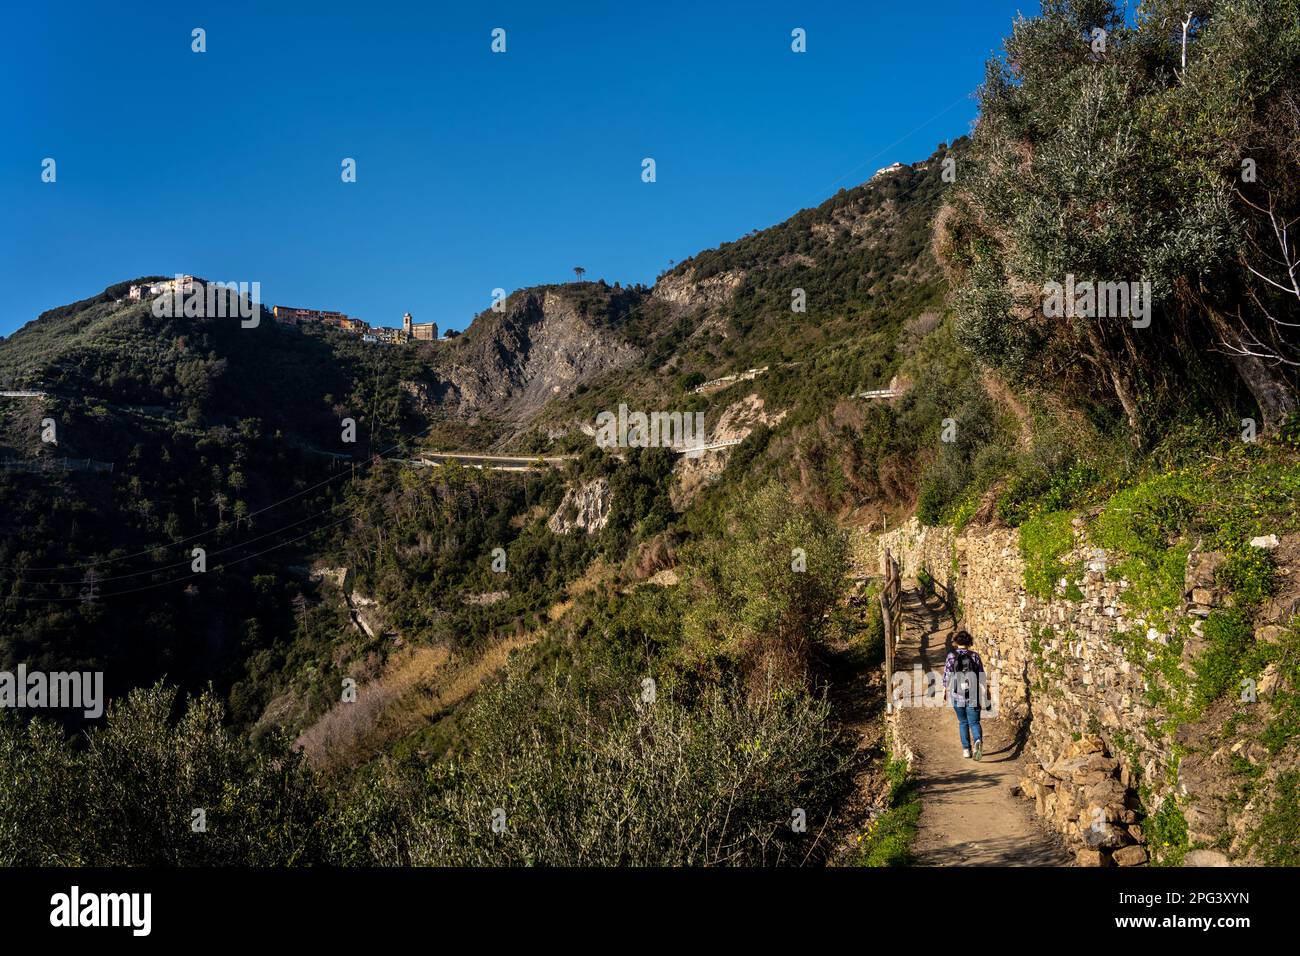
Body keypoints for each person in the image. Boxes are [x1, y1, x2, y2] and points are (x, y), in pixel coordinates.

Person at [943, 629, 985, 760]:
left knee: (963, 722)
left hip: (957, 695)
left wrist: (944, 690)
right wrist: (985, 691)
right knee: (974, 722)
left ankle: (966, 750)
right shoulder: (975, 656)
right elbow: (981, 675)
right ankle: (977, 740)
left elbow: (947, 675)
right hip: (973, 694)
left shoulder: (951, 656)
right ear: (969, 642)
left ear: (956, 642)